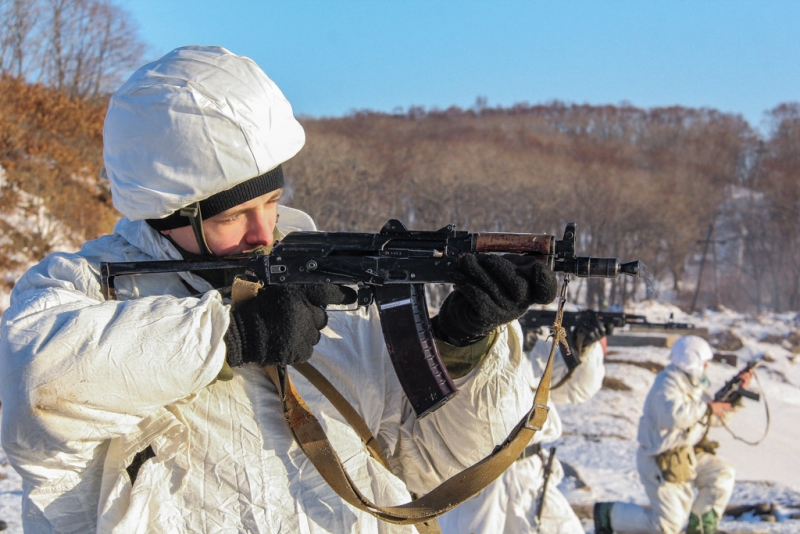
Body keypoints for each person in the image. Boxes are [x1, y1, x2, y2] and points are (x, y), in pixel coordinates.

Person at [0, 46, 559, 533]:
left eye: (270, 202)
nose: (263, 234)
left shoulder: (310, 282)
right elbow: (39, 386)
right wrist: (232, 337)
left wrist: (462, 342)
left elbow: (425, 462)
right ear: (166, 211)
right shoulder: (83, 287)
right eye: (235, 216)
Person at [439, 309, 610, 533]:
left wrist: (584, 347)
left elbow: (574, 388)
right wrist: (508, 345)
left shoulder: (543, 319)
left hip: (531, 473)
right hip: (482, 474)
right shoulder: (468, 314)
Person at [594, 335, 754, 534]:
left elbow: (712, 417)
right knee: (667, 526)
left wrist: (736, 394)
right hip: (660, 459)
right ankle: (609, 514)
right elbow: (672, 416)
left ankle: (702, 528)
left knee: (722, 473)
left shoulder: (693, 387)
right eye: (703, 364)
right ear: (692, 362)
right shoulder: (667, 383)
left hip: (685, 456)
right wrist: (706, 408)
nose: (706, 368)